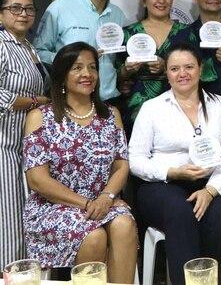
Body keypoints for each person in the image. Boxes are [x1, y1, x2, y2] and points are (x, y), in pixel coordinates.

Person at [129, 43, 221, 285]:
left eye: (189, 67)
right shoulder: (152, 108)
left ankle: (200, 279)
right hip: (161, 186)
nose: (182, 74)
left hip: (208, 184)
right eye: (175, 68)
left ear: (200, 68)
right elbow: (135, 160)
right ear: (167, 73)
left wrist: (210, 191)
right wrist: (172, 172)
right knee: (180, 212)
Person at [23, 42, 136, 282]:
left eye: (92, 67)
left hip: (103, 201)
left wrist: (106, 197)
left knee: (124, 224)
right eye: (77, 68)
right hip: (53, 207)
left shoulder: (110, 115)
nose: (87, 74)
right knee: (94, 236)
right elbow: (37, 179)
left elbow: (121, 165)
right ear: (62, 76)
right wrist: (86, 204)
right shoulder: (40, 117)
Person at [35, 0, 126, 102]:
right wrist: (71, 58)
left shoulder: (118, 15)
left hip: (109, 99)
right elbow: (38, 52)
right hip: (71, 100)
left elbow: (115, 61)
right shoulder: (60, 8)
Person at [0, 0, 49, 265]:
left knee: (22, 217)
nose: (23, 14)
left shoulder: (28, 46)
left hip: (22, 147)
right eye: (15, 8)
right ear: (1, 13)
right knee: (8, 222)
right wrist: (34, 101)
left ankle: (23, 276)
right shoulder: (1, 44)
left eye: (29, 8)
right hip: (3, 145)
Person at [116, 0, 187, 134]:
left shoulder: (187, 33)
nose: (161, 0)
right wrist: (126, 70)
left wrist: (166, 67)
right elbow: (115, 77)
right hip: (136, 110)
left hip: (178, 107)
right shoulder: (128, 34)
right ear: (144, 0)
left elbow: (199, 71)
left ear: (172, 0)